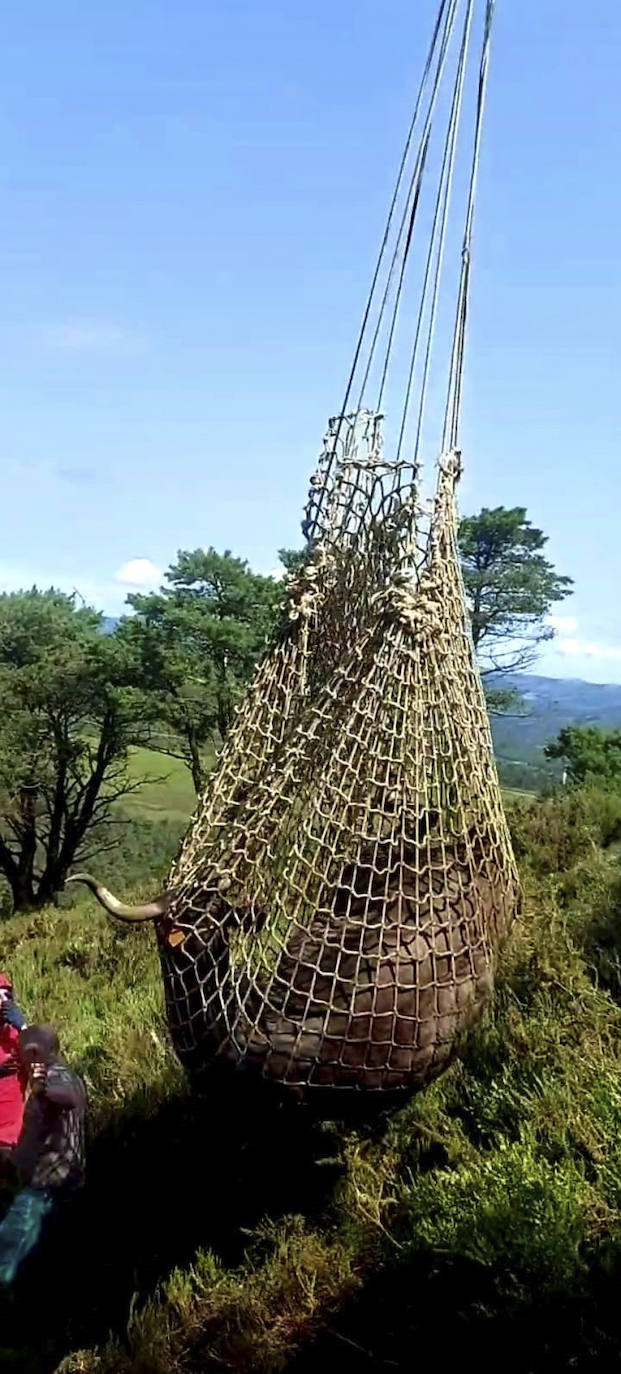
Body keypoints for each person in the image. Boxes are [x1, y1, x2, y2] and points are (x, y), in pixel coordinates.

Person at [0, 1024, 85, 1288]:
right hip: (61, 1184)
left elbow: (67, 1097)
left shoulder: (55, 1079)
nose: (17, 1060)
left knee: (5, 1258)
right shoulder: (69, 1075)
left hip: (45, 1190)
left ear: (33, 1052)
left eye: (20, 1053)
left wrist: (42, 1089)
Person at [0, 974, 27, 1165]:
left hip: (14, 1138)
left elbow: (44, 1061)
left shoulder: (17, 1035)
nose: (3, 1002)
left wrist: (24, 1028)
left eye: (7, 997)